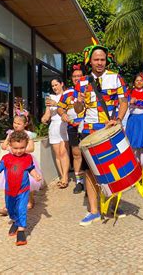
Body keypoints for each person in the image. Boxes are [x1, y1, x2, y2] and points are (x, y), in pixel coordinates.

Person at [73, 40, 128, 226]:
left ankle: (113, 206)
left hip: (109, 130)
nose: (99, 62)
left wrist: (118, 120)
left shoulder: (116, 78)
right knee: (90, 172)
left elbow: (123, 102)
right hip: (88, 131)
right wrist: (78, 101)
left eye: (102, 59)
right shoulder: (81, 82)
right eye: (96, 59)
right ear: (90, 61)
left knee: (113, 169)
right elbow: (79, 110)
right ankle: (94, 211)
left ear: (106, 61)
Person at [0, 130, 42, 246]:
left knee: (22, 209)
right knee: (10, 209)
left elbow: (30, 168)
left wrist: (35, 175)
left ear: (26, 145)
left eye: (21, 148)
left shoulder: (27, 158)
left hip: (23, 190)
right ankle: (15, 221)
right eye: (15, 148)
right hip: (10, 191)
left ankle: (21, 232)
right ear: (10, 146)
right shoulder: (6, 158)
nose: (18, 151)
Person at [0, 114, 42, 215]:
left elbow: (31, 148)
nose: (16, 125)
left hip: (24, 160)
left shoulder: (27, 135)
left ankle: (30, 200)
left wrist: (20, 150)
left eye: (19, 123)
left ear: (25, 124)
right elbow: (4, 146)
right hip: (13, 162)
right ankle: (8, 205)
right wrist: (9, 147)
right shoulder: (10, 134)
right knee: (11, 182)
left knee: (28, 182)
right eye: (14, 123)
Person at [56, 64, 86, 194]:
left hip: (88, 126)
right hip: (72, 127)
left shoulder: (90, 90)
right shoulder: (67, 93)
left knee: (90, 154)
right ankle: (80, 182)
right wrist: (62, 114)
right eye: (74, 76)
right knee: (76, 153)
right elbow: (60, 107)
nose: (77, 78)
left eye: (79, 76)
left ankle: (94, 182)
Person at [41, 76, 70, 188]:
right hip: (53, 126)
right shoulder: (50, 97)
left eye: (56, 85)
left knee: (63, 152)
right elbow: (48, 113)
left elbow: (70, 109)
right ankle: (62, 175)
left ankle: (65, 177)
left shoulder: (67, 95)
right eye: (52, 86)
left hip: (64, 124)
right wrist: (44, 118)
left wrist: (56, 104)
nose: (54, 87)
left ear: (61, 84)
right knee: (57, 153)